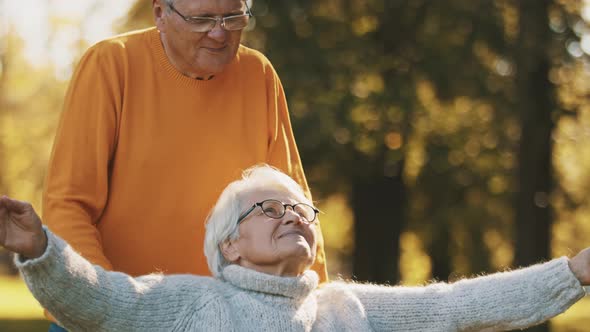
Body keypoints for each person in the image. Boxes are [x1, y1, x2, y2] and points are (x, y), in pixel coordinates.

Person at [2, 164, 589, 331]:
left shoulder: (347, 308)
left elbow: (459, 305)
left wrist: (575, 272)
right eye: (269, 207)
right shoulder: (188, 303)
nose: (294, 217)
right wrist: (43, 249)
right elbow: (103, 301)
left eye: (302, 209)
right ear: (229, 245)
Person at [43, 0, 328, 329]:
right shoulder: (110, 64)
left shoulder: (259, 74)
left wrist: (314, 311)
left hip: (221, 319)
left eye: (233, 18)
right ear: (161, 14)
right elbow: (68, 204)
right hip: (111, 315)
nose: (220, 33)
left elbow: (296, 203)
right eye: (202, 19)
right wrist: (106, 303)